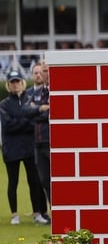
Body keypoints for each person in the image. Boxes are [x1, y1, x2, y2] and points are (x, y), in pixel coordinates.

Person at [0, 70, 49, 225]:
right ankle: (14, 214)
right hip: (11, 149)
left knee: (34, 181)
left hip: (28, 146)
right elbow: (8, 126)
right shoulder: (4, 104)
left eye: (17, 81)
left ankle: (37, 213)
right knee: (12, 182)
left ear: (22, 82)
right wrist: (27, 119)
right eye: (12, 82)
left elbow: (35, 120)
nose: (15, 85)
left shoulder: (30, 100)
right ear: (8, 85)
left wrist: (25, 119)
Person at [22, 62, 51, 216]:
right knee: (44, 181)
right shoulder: (32, 93)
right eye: (41, 71)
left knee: (56, 182)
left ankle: (59, 214)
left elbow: (50, 115)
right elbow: (25, 112)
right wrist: (41, 108)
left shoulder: (55, 91)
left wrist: (36, 110)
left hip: (52, 142)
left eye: (45, 71)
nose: (44, 74)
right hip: (38, 143)